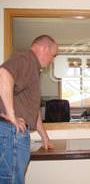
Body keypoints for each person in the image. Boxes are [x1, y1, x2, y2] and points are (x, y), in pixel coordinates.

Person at [0, 35, 58, 184]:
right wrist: (12, 116)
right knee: (12, 180)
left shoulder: (33, 68)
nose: (52, 61)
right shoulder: (27, 59)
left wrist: (44, 136)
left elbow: (32, 108)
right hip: (11, 133)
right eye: (53, 56)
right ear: (44, 48)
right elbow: (3, 74)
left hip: (13, 133)